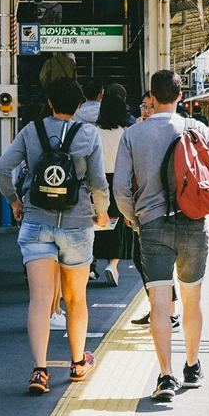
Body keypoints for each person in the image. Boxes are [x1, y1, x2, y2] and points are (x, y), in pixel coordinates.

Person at [115, 70, 209, 401]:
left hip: (152, 226)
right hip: (193, 223)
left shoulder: (133, 135)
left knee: (160, 304)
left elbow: (121, 187)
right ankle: (192, 366)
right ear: (180, 96)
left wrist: (133, 218)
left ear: (151, 96)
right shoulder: (197, 129)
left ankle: (165, 377)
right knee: (192, 298)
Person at [0, 77, 109, 396]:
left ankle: (39, 371)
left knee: (41, 300)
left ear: (51, 102)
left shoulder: (31, 131)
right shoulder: (88, 134)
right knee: (75, 297)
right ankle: (77, 362)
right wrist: (102, 211)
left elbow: (1, 169)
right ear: (80, 105)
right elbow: (98, 182)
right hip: (77, 223)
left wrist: (16, 202)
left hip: (36, 221)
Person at [128, 90, 180, 330]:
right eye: (143, 106)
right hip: (144, 208)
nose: (146, 110)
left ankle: (167, 313)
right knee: (148, 263)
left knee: (155, 264)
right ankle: (161, 311)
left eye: (151, 106)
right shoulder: (134, 133)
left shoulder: (166, 131)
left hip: (158, 210)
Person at [91, 84, 134, 287]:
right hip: (119, 181)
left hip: (97, 182)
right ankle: (113, 264)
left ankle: (92, 260)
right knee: (118, 226)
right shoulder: (126, 134)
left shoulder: (93, 133)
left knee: (97, 224)